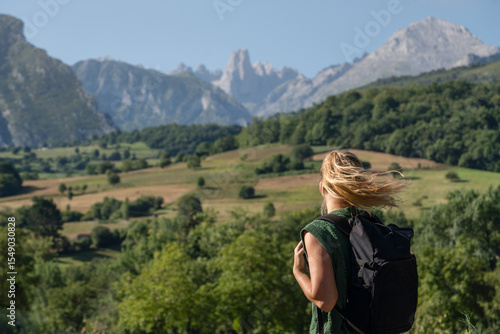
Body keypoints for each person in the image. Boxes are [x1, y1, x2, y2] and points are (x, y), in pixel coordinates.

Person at [293, 150, 406, 333]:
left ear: (322, 188)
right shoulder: (373, 223)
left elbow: (325, 301)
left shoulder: (319, 232)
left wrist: (298, 272)